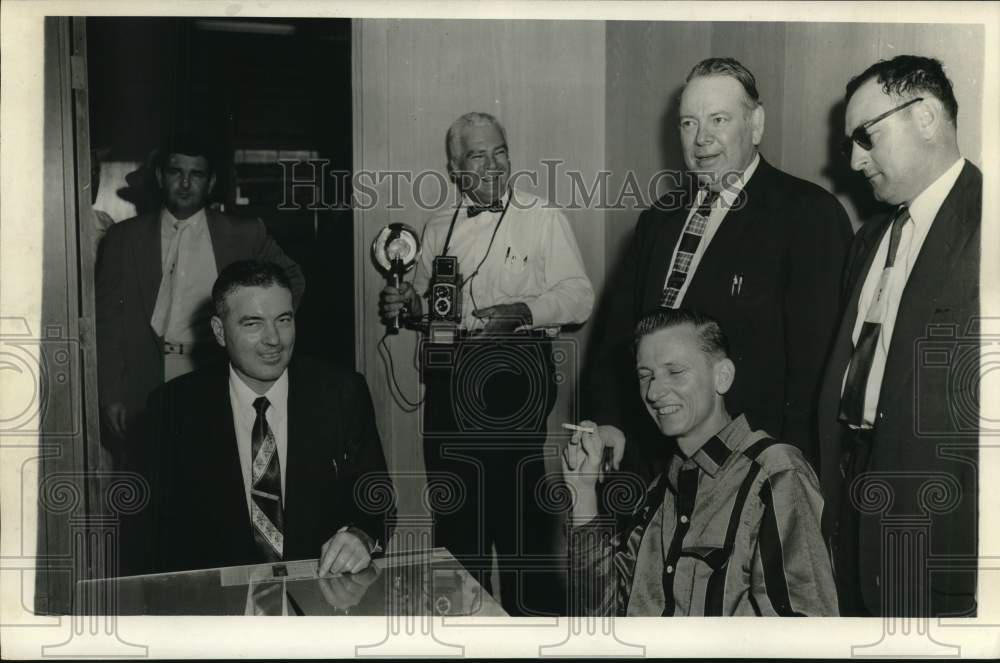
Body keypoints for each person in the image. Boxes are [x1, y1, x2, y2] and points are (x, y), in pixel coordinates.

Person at [586, 58, 851, 477]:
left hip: (746, 470)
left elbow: (814, 374)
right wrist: (609, 420)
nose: (702, 139)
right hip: (652, 462)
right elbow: (618, 334)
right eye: (689, 123)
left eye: (718, 119)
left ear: (756, 124)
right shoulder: (658, 219)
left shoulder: (808, 215)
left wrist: (782, 478)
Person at [379, 111, 594, 616]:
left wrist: (523, 311)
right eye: (479, 154)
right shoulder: (437, 228)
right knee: (456, 517)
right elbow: (436, 310)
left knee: (518, 517)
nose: (495, 164)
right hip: (448, 382)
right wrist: (409, 308)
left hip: (513, 376)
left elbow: (579, 297)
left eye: (500, 151)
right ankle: (464, 632)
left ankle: (533, 631)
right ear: (455, 169)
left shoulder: (543, 217)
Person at [818, 55, 980, 617]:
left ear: (927, 117)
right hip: (854, 495)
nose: (857, 160)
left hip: (937, 518)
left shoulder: (986, 225)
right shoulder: (869, 239)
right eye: (851, 145)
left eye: (867, 136)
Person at [564, 307, 838, 616]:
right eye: (645, 376)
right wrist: (583, 493)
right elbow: (605, 616)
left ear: (722, 377)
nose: (654, 392)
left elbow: (805, 631)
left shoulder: (775, 473)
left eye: (675, 372)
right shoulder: (662, 490)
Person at [137, 260, 393, 578]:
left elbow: (378, 501)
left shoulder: (341, 393)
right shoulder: (173, 407)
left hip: (319, 596)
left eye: (283, 320)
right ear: (219, 331)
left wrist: (361, 536)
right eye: (253, 324)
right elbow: (151, 539)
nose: (274, 339)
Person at [95, 132, 306, 455]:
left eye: (196, 174)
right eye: (176, 172)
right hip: (146, 377)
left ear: (210, 183)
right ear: (159, 177)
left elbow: (293, 279)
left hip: (215, 371)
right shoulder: (122, 238)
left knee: (216, 472)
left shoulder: (244, 234)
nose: (184, 183)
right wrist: (112, 394)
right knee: (156, 478)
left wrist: (261, 326)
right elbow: (107, 323)